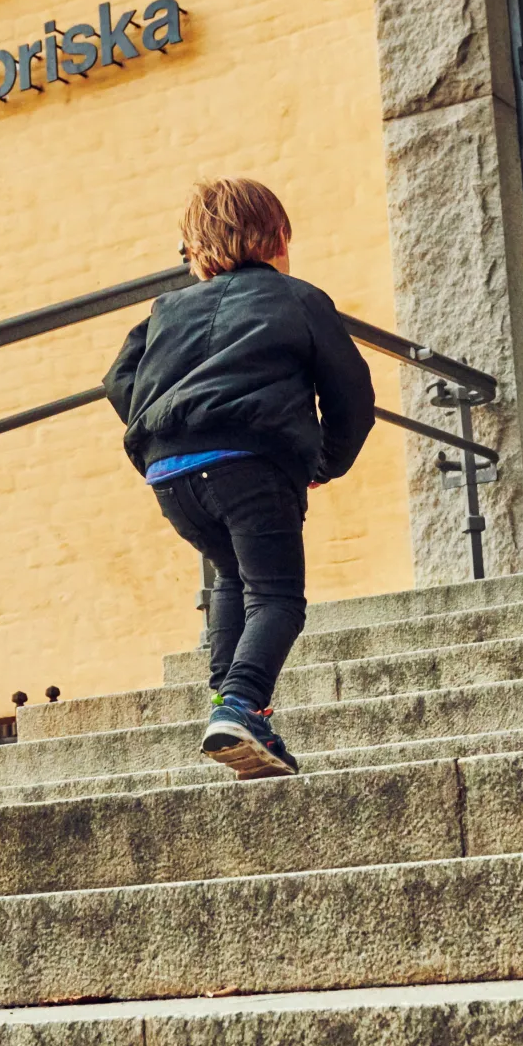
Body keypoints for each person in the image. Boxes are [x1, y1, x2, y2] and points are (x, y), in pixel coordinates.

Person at [104, 177, 374, 779]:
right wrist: (322, 462)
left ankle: (225, 705)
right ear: (279, 237)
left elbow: (118, 381)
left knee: (232, 572)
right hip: (252, 464)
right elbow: (352, 395)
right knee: (278, 597)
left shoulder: (164, 312)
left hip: (171, 474)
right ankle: (241, 706)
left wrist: (164, 435)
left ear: (194, 250)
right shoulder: (298, 299)